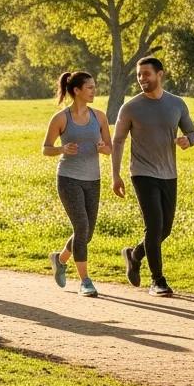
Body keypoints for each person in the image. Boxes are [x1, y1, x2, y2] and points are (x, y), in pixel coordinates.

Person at [113, 57, 194, 297]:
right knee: (154, 225)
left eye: (146, 74)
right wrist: (115, 175)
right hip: (141, 172)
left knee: (165, 229)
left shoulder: (176, 104)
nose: (142, 79)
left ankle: (134, 254)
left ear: (160, 74)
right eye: (139, 75)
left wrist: (187, 140)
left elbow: (192, 132)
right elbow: (118, 140)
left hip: (169, 173)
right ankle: (157, 279)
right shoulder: (130, 107)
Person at [42, 71, 112, 296]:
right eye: (90, 87)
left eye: (94, 86)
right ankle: (85, 281)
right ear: (77, 91)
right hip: (69, 178)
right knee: (81, 227)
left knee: (87, 233)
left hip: (93, 179)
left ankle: (60, 259)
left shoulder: (99, 117)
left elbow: (110, 149)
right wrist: (62, 149)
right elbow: (46, 148)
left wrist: (103, 148)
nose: (94, 91)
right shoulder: (61, 118)